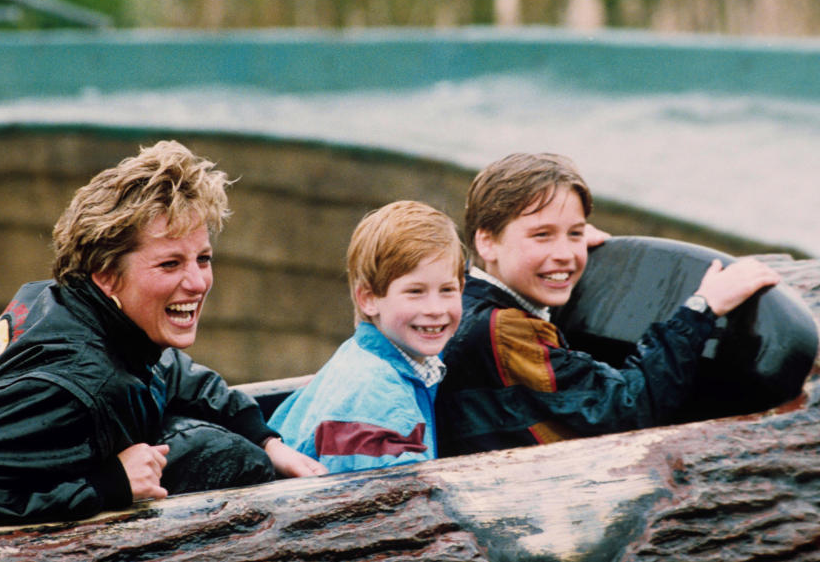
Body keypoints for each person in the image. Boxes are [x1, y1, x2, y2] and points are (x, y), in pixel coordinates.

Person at [0, 140, 326, 532]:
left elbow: (170, 371)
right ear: (106, 275)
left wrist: (266, 439)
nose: (198, 282)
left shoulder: (64, 304)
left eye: (202, 259)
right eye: (170, 264)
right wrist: (107, 488)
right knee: (221, 455)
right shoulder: (71, 387)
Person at [435, 152, 781, 456]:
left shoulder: (462, 300)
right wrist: (702, 309)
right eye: (542, 235)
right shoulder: (504, 331)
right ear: (487, 242)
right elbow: (628, 409)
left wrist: (552, 247)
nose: (566, 254)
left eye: (575, 233)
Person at [268, 200, 464, 473]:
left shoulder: (364, 355)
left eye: (447, 290)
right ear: (369, 299)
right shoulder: (379, 402)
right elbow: (402, 505)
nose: (435, 309)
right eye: (415, 291)